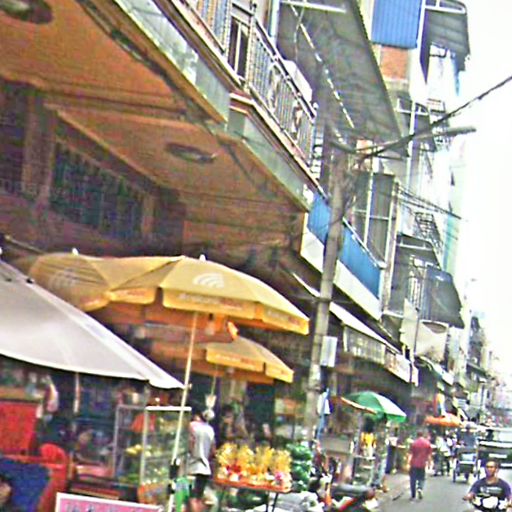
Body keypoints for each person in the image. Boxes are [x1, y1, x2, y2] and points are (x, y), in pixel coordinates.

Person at [188, 407, 216, 512]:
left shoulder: (192, 426)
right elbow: (213, 450)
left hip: (192, 467)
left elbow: (190, 444)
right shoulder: (210, 429)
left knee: (191, 498)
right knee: (198, 498)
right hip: (205, 468)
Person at [408, 430, 433, 501]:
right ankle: (420, 488)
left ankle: (413, 495)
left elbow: (410, 454)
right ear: (423, 435)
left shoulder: (414, 443)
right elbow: (429, 455)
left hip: (414, 463)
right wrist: (429, 464)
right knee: (421, 478)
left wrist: (408, 463)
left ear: (417, 435)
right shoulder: (427, 443)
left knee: (413, 479)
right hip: (422, 464)